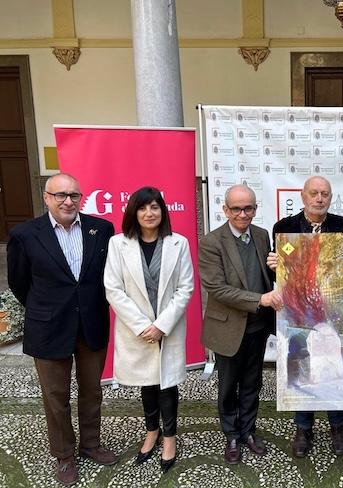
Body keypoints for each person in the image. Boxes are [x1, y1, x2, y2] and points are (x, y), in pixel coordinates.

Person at [7, 173, 117, 485]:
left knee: (92, 390)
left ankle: (91, 444)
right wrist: (47, 306)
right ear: (46, 198)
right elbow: (19, 282)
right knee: (55, 395)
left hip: (91, 322)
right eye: (60, 195)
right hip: (48, 325)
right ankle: (64, 453)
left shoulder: (102, 229)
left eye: (74, 195)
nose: (68, 201)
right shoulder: (25, 235)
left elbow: (107, 274)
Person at [103, 186, 194, 473]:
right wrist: (144, 326)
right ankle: (151, 431)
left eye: (155, 207)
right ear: (133, 211)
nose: (149, 213)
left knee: (167, 385)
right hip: (137, 329)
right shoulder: (118, 244)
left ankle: (169, 439)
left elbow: (185, 288)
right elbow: (113, 289)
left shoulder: (178, 243)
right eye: (143, 207)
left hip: (168, 327)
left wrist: (161, 325)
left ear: (163, 211)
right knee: (147, 383)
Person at [267, 175, 343, 458]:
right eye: (314, 193)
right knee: (302, 365)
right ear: (304, 196)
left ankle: (337, 426)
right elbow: (285, 268)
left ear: (330, 198)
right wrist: (275, 265)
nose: (320, 198)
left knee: (332, 364)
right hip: (298, 308)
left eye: (325, 194)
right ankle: (303, 427)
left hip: (332, 306)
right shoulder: (284, 228)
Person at [199, 184, 283, 465]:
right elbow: (217, 289)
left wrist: (278, 268)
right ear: (225, 209)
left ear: (255, 209)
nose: (243, 214)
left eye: (248, 208)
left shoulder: (260, 236)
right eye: (236, 208)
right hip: (227, 328)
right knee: (228, 386)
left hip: (257, 327)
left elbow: (267, 278)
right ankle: (231, 434)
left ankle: (248, 431)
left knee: (252, 383)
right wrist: (261, 297)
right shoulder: (212, 242)